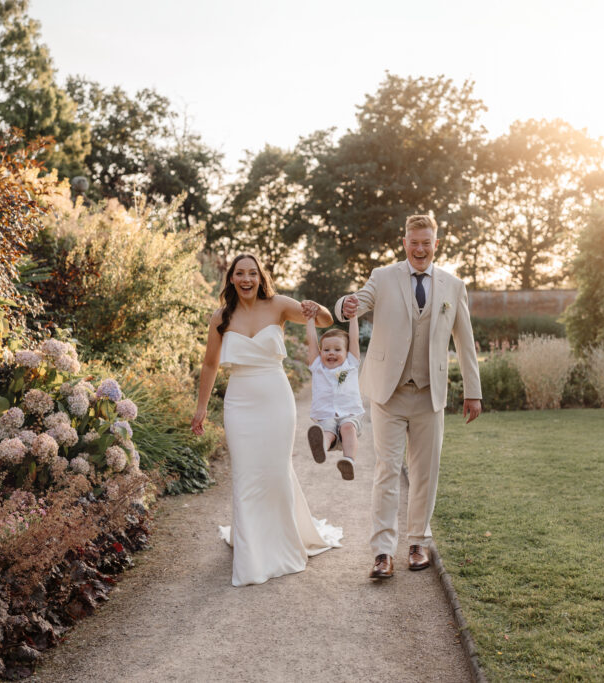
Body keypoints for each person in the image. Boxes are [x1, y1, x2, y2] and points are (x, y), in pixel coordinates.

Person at [335, 215, 482, 580]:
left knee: (425, 474)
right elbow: (357, 301)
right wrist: (345, 306)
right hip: (389, 393)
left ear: (436, 243)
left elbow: (465, 343)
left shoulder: (454, 286)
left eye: (426, 242)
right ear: (404, 242)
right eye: (413, 242)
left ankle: (418, 543)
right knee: (386, 471)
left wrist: (472, 391)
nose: (420, 249)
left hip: (430, 395)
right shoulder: (383, 277)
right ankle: (383, 552)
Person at [191, 253, 343, 587]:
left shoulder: (279, 305)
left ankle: (284, 546)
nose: (246, 279)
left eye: (252, 274)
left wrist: (317, 309)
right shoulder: (221, 316)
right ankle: (252, 557)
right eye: (240, 273)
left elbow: (325, 321)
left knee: (275, 473)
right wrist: (201, 407)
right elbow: (210, 364)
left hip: (276, 399)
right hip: (240, 402)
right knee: (245, 475)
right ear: (231, 278)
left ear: (261, 278)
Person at [304, 311, 364, 481]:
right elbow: (312, 341)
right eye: (326, 349)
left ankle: (348, 461)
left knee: (348, 428)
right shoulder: (317, 366)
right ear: (320, 352)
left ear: (347, 352)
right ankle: (321, 448)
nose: (331, 353)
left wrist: (353, 318)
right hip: (325, 415)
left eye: (337, 349)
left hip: (349, 414)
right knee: (327, 432)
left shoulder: (350, 364)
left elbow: (354, 338)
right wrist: (310, 320)